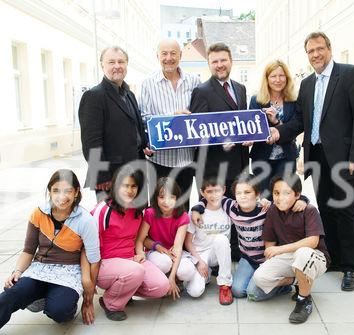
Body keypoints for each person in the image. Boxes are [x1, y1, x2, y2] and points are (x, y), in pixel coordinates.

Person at [268, 31, 354, 291]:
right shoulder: (307, 84)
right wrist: (278, 130)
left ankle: (350, 267)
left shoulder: (349, 74)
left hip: (343, 159)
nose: (315, 54)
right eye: (311, 51)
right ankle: (334, 258)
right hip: (316, 157)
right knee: (326, 210)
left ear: (329, 48)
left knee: (346, 210)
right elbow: (300, 122)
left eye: (320, 49)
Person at [0, 169, 100, 335]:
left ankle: (54, 299)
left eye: (68, 191)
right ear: (49, 192)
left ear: (76, 193)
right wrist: (17, 271)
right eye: (56, 191)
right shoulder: (38, 213)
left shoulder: (85, 220)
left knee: (60, 310)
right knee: (11, 293)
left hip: (68, 273)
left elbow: (94, 259)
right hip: (40, 269)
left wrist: (88, 299)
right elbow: (28, 250)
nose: (62, 196)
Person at [191, 174, 307, 301]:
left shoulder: (266, 209)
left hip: (268, 258)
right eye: (238, 193)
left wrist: (303, 200)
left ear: (257, 194)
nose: (242, 196)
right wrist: (197, 209)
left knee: (253, 293)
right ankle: (260, 279)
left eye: (247, 192)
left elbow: (286, 201)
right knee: (238, 291)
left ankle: (288, 283)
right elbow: (210, 198)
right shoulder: (231, 207)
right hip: (248, 258)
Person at [189, 42, 249, 261]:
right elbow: (196, 133)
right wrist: (218, 141)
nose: (220, 65)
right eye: (215, 61)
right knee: (215, 213)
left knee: (236, 208)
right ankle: (211, 257)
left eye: (223, 60)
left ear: (231, 60)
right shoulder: (201, 92)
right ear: (209, 64)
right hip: (214, 166)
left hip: (240, 163)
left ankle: (235, 251)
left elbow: (243, 124)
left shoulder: (240, 89)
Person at [91, 168, 169, 321]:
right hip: (104, 264)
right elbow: (88, 247)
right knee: (135, 271)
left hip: (131, 260)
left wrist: (140, 253)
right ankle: (110, 303)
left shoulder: (137, 211)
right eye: (125, 185)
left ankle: (124, 291)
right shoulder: (102, 210)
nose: (129, 190)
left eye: (133, 186)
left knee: (162, 287)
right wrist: (90, 281)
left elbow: (138, 239)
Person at [253, 174, 330, 324]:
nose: (280, 197)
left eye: (286, 193)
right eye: (276, 193)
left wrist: (279, 250)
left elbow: (313, 241)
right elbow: (269, 242)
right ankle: (299, 281)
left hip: (314, 257)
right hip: (288, 256)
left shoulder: (309, 210)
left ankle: (304, 299)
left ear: (297, 195)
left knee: (302, 253)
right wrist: (272, 254)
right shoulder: (273, 211)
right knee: (260, 278)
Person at [79, 46, 150, 201]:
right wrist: (102, 176)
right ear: (102, 65)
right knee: (113, 223)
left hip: (136, 172)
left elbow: (134, 129)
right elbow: (91, 142)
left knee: (137, 221)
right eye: (111, 62)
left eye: (121, 61)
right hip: (111, 177)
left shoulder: (129, 94)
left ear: (126, 65)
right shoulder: (94, 96)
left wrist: (147, 143)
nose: (117, 66)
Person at [140, 39, 201, 210]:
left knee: (182, 209)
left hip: (186, 159)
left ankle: (180, 238)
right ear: (157, 56)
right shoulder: (148, 83)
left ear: (180, 55)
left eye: (173, 53)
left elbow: (200, 115)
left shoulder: (194, 81)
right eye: (164, 53)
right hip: (160, 161)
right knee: (159, 210)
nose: (169, 58)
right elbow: (144, 118)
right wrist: (171, 118)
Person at [135, 177, 195, 300]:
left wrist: (172, 277)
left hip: (174, 253)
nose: (166, 202)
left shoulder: (182, 216)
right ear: (156, 198)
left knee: (187, 271)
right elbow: (140, 239)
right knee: (164, 263)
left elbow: (178, 249)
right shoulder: (150, 213)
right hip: (156, 253)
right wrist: (142, 252)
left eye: (171, 197)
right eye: (161, 197)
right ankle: (161, 279)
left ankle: (175, 279)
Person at [249, 59, 299, 198]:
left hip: (286, 157)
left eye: (281, 75)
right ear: (267, 79)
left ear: (287, 78)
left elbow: (295, 128)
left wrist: (276, 122)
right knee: (265, 199)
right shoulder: (256, 100)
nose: (278, 80)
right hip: (262, 157)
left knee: (284, 198)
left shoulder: (294, 100)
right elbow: (253, 128)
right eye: (273, 76)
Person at [183, 177, 233, 305]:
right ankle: (206, 274)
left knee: (221, 239)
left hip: (219, 252)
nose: (214, 195)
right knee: (195, 292)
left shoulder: (229, 209)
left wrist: (264, 202)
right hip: (201, 254)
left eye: (217, 191)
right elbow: (188, 242)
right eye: (209, 191)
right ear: (202, 192)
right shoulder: (196, 212)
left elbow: (248, 206)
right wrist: (199, 262)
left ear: (224, 190)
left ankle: (225, 285)